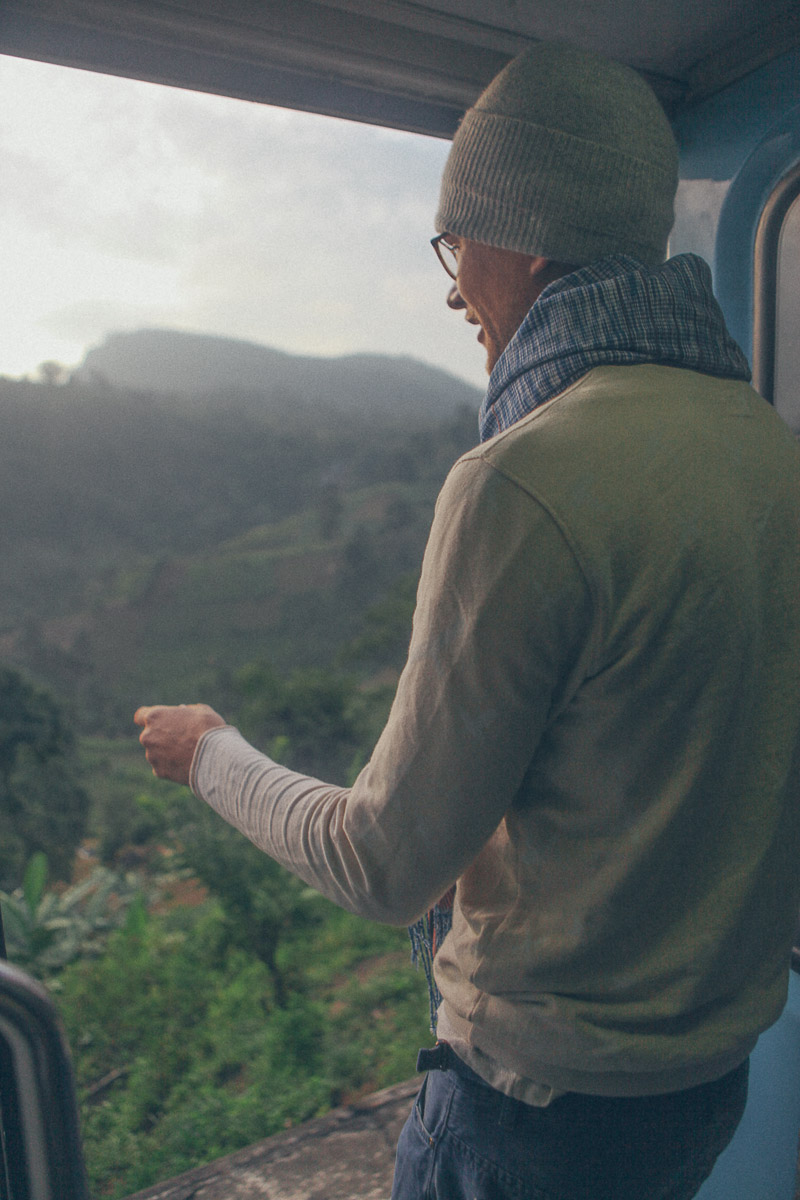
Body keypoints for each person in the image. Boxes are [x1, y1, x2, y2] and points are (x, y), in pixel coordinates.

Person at [135, 42, 800, 1200]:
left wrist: (210, 756)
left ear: (522, 236)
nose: (452, 289)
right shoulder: (769, 450)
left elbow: (382, 862)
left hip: (535, 1118)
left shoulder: (521, 480)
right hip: (703, 1084)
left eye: (456, 243)